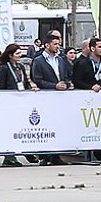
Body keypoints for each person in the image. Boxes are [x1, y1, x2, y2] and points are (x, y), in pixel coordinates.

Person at [31, 35, 71, 166]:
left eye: (58, 44)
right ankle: (45, 155)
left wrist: (66, 83)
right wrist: (53, 86)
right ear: (47, 45)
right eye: (55, 44)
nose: (57, 46)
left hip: (60, 99)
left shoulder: (60, 59)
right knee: (45, 127)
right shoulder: (38, 61)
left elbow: (66, 75)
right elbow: (37, 79)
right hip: (46, 98)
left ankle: (56, 155)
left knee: (58, 126)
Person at [0, 44, 39, 167]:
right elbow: (2, 86)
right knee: (10, 130)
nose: (20, 56)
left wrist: (31, 90)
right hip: (10, 103)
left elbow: (26, 82)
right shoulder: (4, 68)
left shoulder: (20, 66)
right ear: (10, 56)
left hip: (22, 102)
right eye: (17, 54)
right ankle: (9, 156)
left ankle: (27, 151)